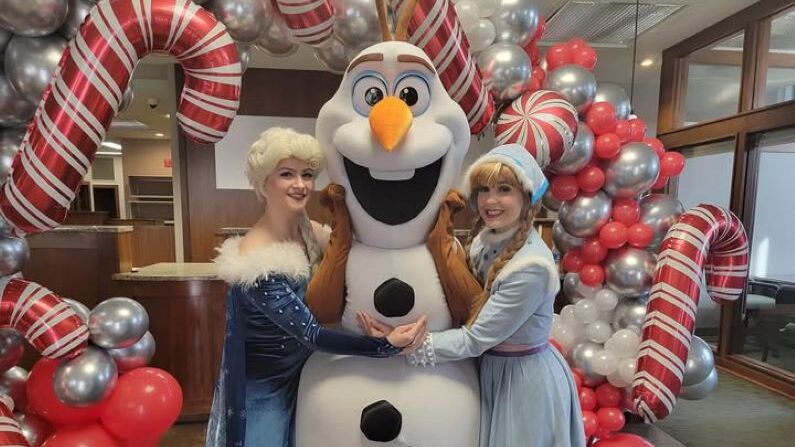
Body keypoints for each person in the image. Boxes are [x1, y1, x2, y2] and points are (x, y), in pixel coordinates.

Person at [206, 127, 427, 447]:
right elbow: (312, 333)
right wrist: (385, 345)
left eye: (307, 174)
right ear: (264, 181)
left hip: (304, 378)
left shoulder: (306, 229)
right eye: (286, 174)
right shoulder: (258, 260)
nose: (300, 185)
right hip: (264, 394)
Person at [359, 144, 586, 447]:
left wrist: (405, 342)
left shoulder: (530, 268)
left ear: (527, 197)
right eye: (483, 190)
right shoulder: (484, 241)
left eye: (504, 189)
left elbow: (475, 339)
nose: (490, 201)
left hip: (521, 383)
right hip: (493, 371)